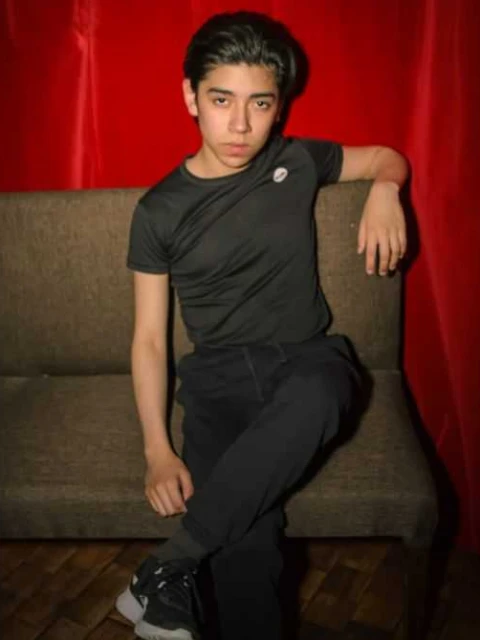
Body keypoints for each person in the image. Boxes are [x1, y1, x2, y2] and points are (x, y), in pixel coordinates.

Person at [115, 10, 408, 640]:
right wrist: (156, 450)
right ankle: (176, 582)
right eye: (222, 100)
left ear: (280, 107)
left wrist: (386, 189)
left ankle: (167, 565)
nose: (241, 125)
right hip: (217, 383)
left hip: (306, 359)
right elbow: (149, 340)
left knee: (325, 390)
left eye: (261, 103)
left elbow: (387, 157)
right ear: (191, 96)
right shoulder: (158, 211)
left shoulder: (296, 160)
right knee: (247, 547)